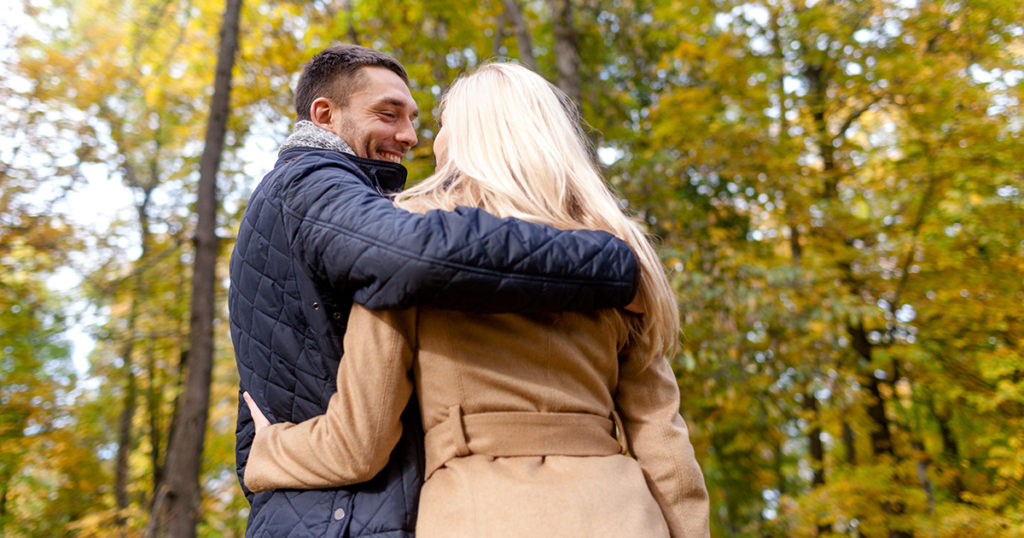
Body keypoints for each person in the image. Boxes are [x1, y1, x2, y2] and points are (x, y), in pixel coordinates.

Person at [241, 62, 710, 537]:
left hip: (478, 513)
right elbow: (666, 448)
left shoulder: (411, 233)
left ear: (468, 137)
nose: (422, 141)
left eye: (440, 125)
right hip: (620, 514)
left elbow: (360, 444)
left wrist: (267, 449)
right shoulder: (617, 247)